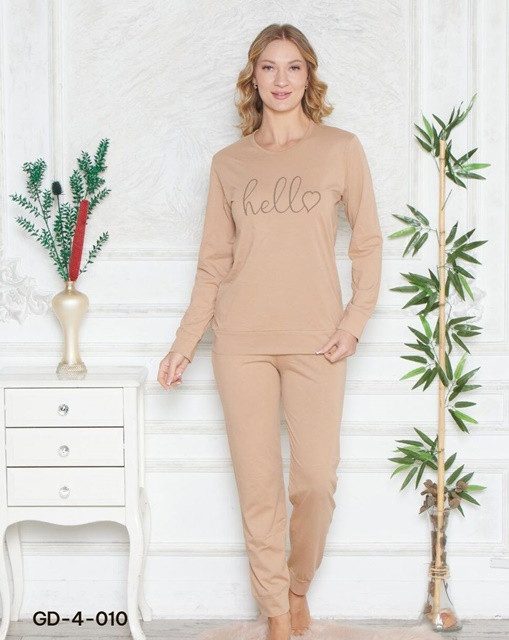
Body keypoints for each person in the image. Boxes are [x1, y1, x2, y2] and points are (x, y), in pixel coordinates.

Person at [157, 23, 383, 640]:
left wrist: (353, 322)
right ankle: (277, 612)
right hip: (240, 345)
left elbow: (367, 243)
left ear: (309, 77)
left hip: (319, 341)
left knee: (315, 482)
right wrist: (183, 345)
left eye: (293, 67)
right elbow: (213, 264)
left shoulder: (341, 149)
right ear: (252, 79)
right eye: (268, 67)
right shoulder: (228, 164)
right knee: (258, 487)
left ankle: (298, 584)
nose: (281, 80)